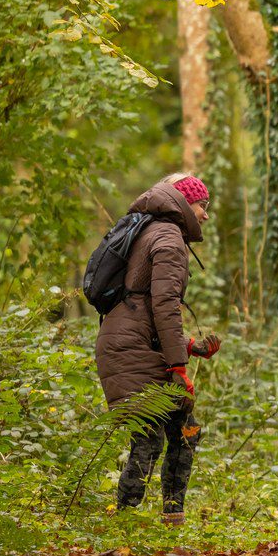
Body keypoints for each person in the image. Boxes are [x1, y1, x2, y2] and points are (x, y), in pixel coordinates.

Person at [94, 174, 216, 524]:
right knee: (154, 435)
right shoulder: (168, 237)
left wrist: (189, 347)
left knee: (178, 428)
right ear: (184, 204)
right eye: (201, 205)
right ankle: (129, 521)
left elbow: (147, 305)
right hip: (132, 348)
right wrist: (179, 367)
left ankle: (156, 518)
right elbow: (163, 303)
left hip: (127, 342)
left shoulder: (154, 230)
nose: (205, 214)